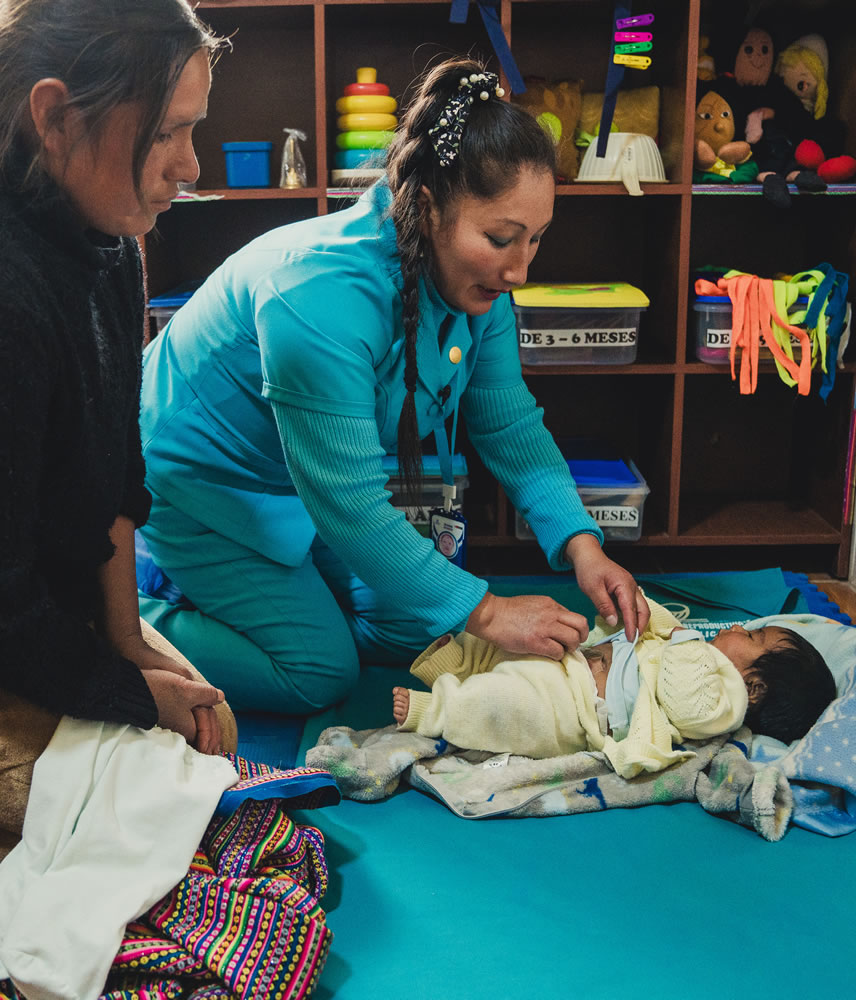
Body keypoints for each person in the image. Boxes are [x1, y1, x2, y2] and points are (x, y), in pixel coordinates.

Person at [137, 55, 651, 716]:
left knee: (420, 628)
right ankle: (133, 616)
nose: (520, 271)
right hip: (198, 484)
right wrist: (490, 612)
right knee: (320, 671)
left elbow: (510, 425)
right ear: (430, 208)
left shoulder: (477, 287)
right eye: (501, 239)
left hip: (294, 483)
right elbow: (350, 505)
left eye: (537, 240)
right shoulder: (317, 296)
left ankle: (265, 595)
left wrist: (585, 548)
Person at [0, 0, 233, 858]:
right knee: (141, 811)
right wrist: (131, 697)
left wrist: (131, 642)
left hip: (46, 616)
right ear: (56, 118)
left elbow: (112, 470)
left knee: (210, 734)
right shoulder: (10, 294)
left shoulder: (114, 240)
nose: (189, 166)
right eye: (168, 134)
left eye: (195, 130)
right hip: (11, 622)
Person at [391, 596, 836, 777]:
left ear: (753, 687)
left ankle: (436, 712)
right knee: (506, 648)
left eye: (754, 637)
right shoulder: (703, 655)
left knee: (510, 705)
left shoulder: (725, 703)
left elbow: (683, 702)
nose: (741, 625)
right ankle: (453, 665)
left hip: (577, 708)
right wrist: (637, 607)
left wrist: (681, 638)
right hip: (579, 662)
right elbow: (649, 628)